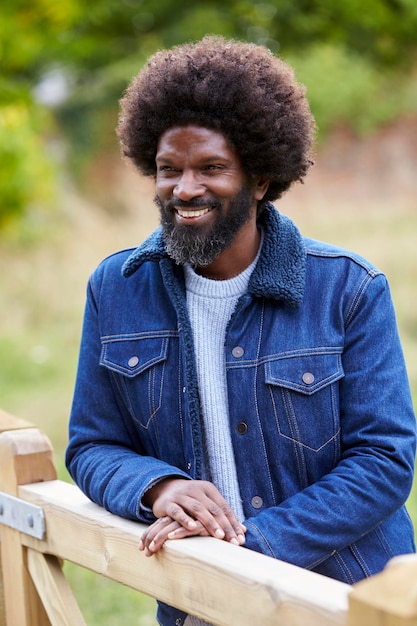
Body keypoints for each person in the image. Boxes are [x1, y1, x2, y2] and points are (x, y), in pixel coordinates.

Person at [66, 35, 416, 626]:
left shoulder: (348, 289)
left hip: (347, 597)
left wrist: (251, 545)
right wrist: (158, 489)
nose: (184, 189)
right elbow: (91, 444)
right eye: (168, 169)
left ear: (259, 178)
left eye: (211, 168)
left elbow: (384, 459)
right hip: (199, 603)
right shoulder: (115, 289)